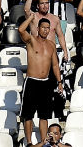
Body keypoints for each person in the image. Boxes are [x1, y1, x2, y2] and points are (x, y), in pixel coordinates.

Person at [18, 12, 65, 147]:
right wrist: (31, 18)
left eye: (47, 28)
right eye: (43, 27)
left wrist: (59, 82)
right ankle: (29, 142)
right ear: (38, 28)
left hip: (46, 83)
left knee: (44, 115)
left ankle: (44, 142)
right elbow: (20, 30)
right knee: (28, 115)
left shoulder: (51, 45)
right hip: (32, 81)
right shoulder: (31, 40)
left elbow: (55, 65)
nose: (45, 30)